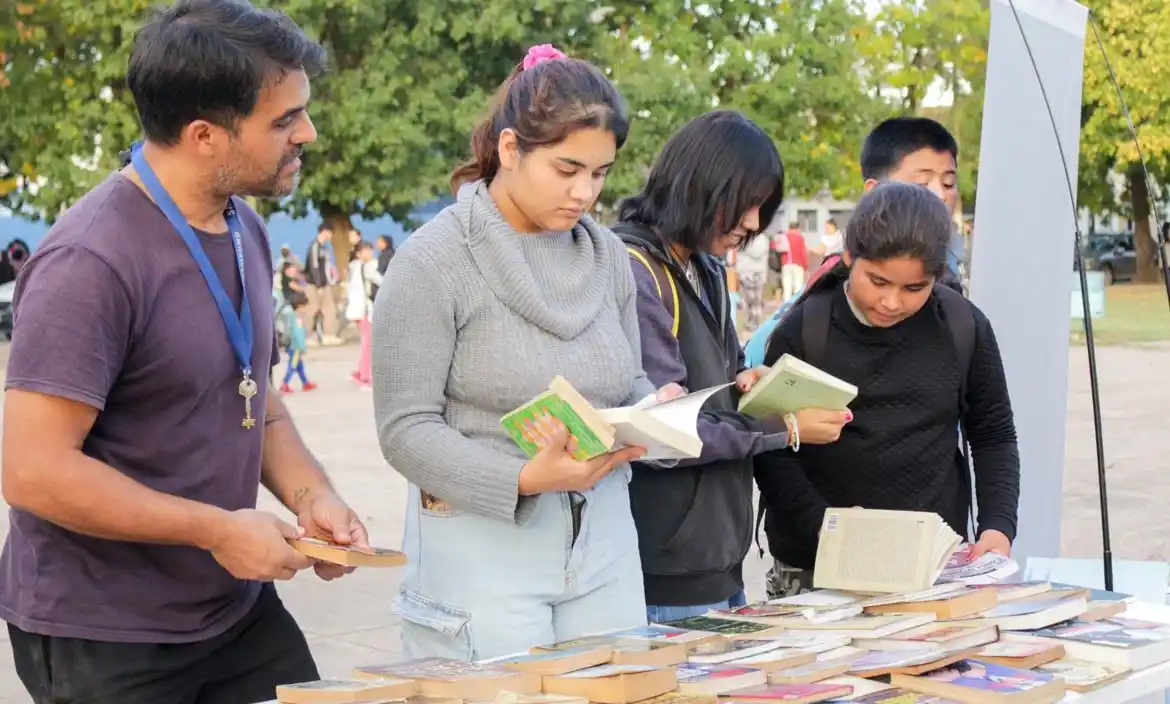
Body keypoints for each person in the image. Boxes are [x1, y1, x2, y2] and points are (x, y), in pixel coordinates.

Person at [0, 1, 369, 701]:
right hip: (107, 634)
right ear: (204, 134)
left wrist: (312, 494)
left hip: (232, 614)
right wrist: (216, 531)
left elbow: (253, 399)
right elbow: (32, 472)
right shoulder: (90, 260)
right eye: (284, 121)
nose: (308, 134)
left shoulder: (244, 229)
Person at [372, 43, 681, 661]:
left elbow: (626, 380)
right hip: (480, 550)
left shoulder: (609, 258)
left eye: (599, 173)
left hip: (604, 541)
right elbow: (404, 428)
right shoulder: (434, 261)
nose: (585, 193)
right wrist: (520, 478)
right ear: (510, 150)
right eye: (566, 170)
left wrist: (657, 412)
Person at [614, 110, 851, 622]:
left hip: (719, 556)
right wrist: (784, 427)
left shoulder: (703, 265)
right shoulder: (634, 272)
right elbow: (664, 434)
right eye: (746, 205)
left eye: (761, 209)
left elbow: (722, 377)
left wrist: (751, 380)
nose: (751, 224)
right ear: (701, 183)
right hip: (664, 567)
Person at [754, 182, 1021, 599]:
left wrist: (997, 527)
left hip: (931, 569)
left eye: (914, 288)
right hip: (815, 571)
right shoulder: (806, 328)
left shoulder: (962, 325)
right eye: (877, 281)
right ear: (848, 258)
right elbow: (771, 447)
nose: (892, 302)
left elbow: (993, 434)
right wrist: (827, 527)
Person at [859, 116, 965, 293]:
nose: (940, 196)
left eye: (948, 183)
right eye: (921, 184)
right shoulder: (839, 280)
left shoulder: (951, 265)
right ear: (874, 192)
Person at [346, 239, 381, 389]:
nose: (369, 253)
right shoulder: (366, 267)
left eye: (370, 250)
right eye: (366, 251)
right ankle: (366, 377)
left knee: (366, 343)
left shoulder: (355, 267)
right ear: (359, 253)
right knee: (369, 344)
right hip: (364, 310)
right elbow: (381, 281)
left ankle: (361, 373)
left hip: (360, 310)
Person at [303, 224, 342, 344]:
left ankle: (328, 335)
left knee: (329, 309)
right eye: (330, 233)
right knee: (312, 309)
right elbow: (313, 267)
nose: (330, 236)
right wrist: (318, 285)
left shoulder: (325, 248)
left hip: (324, 284)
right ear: (324, 231)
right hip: (314, 284)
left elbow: (327, 267)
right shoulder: (314, 246)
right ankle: (307, 336)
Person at [280, 294, 316, 393]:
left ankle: (305, 383)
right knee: (293, 365)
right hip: (295, 347)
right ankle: (285, 383)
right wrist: (302, 347)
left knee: (299, 366)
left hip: (294, 346)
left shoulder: (293, 316)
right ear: (300, 306)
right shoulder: (298, 318)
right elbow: (298, 334)